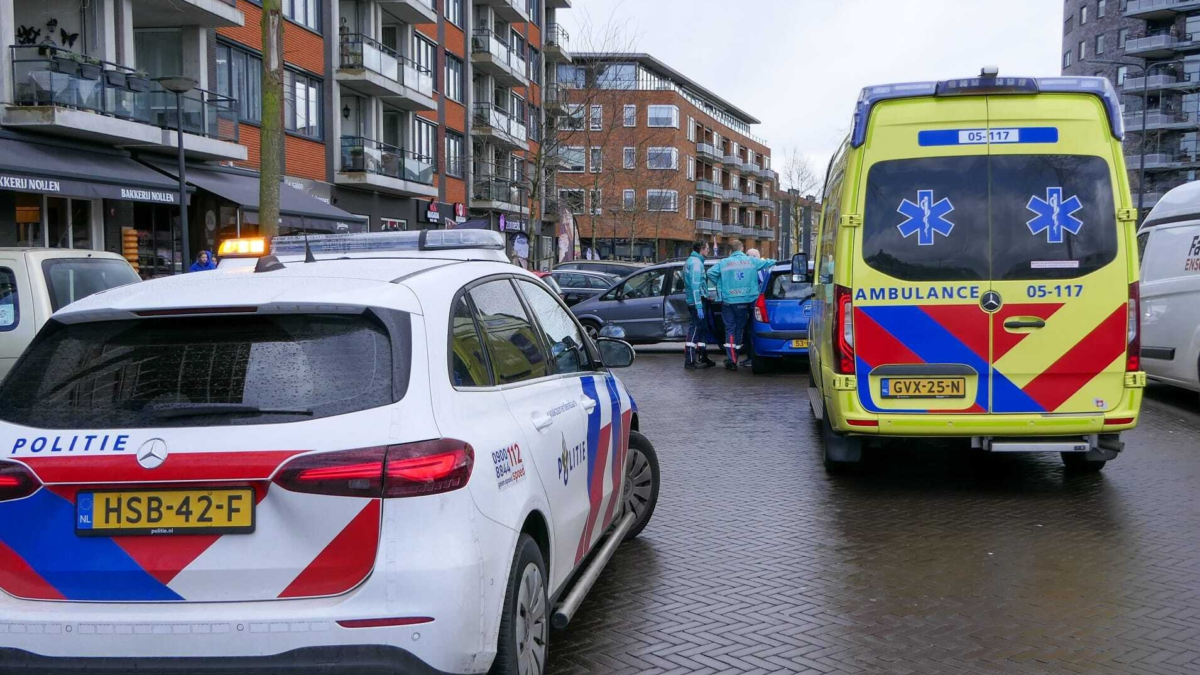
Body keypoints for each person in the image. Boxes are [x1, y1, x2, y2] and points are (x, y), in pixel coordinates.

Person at [706, 240, 775, 370]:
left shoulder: (724, 262)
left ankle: (731, 359)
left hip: (728, 301)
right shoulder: (751, 261)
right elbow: (768, 263)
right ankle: (735, 356)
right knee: (739, 329)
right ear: (742, 249)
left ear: (730, 251)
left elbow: (710, 273)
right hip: (745, 300)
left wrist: (720, 284)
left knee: (729, 329)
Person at [683, 241, 717, 370]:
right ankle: (690, 360)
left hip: (698, 300)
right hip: (697, 301)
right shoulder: (696, 263)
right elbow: (695, 286)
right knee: (696, 328)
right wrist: (698, 306)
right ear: (701, 249)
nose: (709, 250)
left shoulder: (692, 261)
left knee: (702, 329)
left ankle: (703, 356)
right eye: (707, 248)